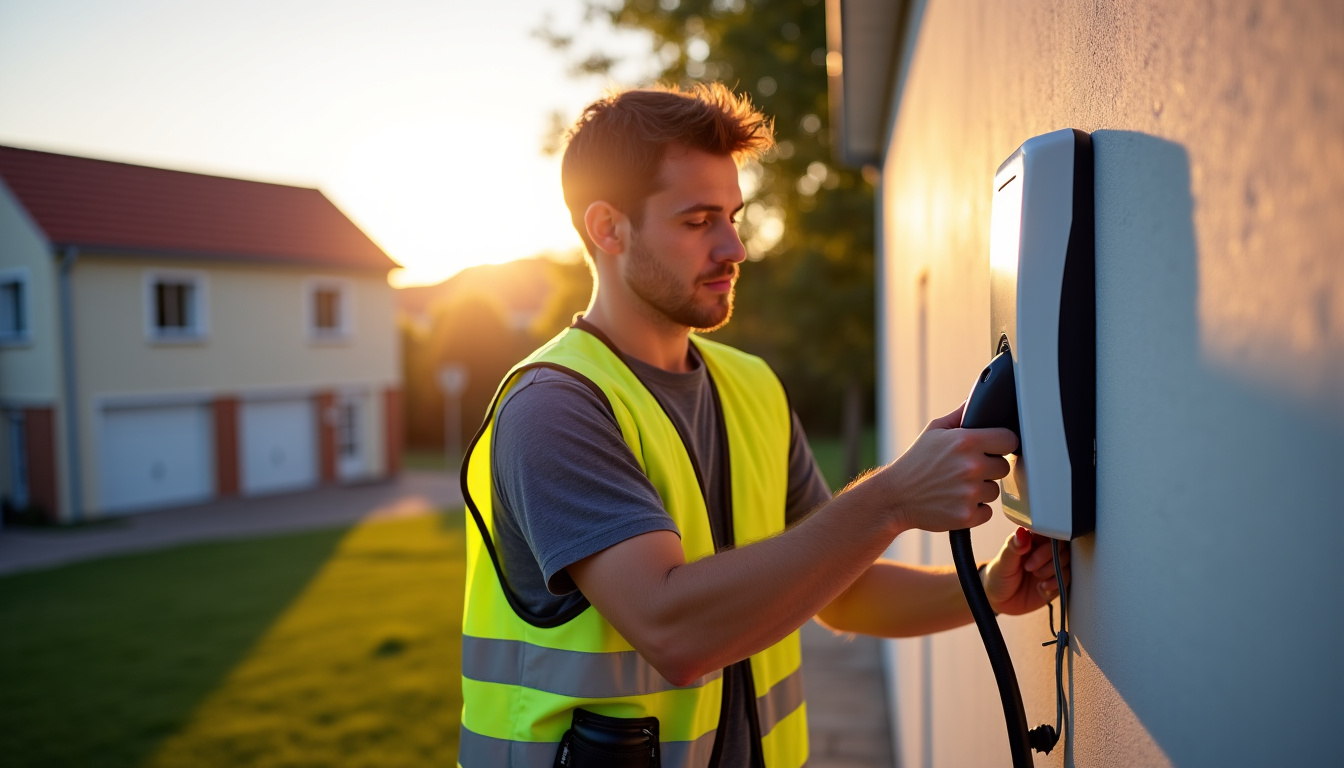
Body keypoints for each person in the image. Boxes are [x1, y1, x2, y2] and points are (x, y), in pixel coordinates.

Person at [459, 83, 1069, 768]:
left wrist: (984, 591)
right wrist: (893, 497)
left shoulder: (749, 384)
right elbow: (675, 631)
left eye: (733, 215)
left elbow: (842, 587)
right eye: (698, 221)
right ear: (608, 229)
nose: (735, 247)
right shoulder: (555, 406)